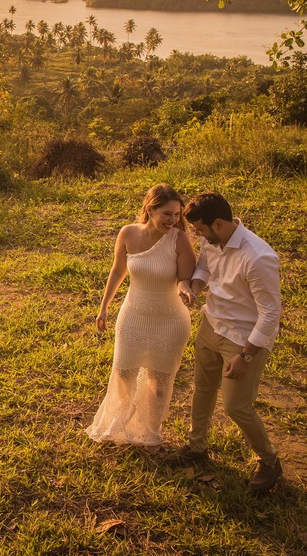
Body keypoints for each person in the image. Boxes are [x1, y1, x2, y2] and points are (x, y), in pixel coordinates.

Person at [167, 192, 283, 494]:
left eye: (200, 230)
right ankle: (197, 446)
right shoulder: (212, 240)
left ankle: (269, 461)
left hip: (244, 339)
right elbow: (205, 267)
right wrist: (195, 286)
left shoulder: (258, 258)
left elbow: (271, 314)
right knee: (203, 388)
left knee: (236, 406)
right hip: (212, 324)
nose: (197, 236)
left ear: (219, 224)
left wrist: (245, 356)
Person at [86, 184, 197, 447]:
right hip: (133, 315)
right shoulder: (128, 233)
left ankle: (149, 432)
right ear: (150, 210)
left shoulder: (179, 239)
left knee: (159, 383)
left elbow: (186, 277)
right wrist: (104, 307)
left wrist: (185, 289)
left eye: (177, 214)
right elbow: (117, 271)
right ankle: (120, 426)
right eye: (167, 214)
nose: (173, 220)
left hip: (170, 319)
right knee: (124, 373)